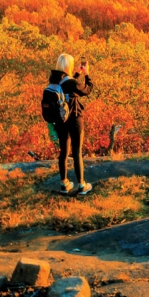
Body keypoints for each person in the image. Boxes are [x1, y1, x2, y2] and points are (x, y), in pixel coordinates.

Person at [49, 53, 94, 194]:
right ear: (69, 66)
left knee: (64, 152)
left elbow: (67, 85)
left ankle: (64, 184)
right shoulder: (72, 83)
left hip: (61, 121)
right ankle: (81, 185)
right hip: (74, 119)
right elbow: (87, 90)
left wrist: (77, 74)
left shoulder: (54, 81)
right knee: (76, 151)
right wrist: (87, 75)